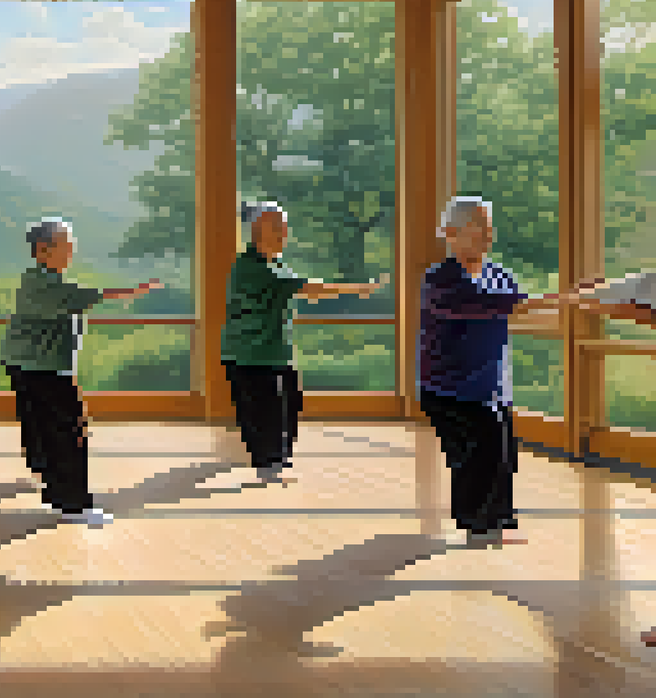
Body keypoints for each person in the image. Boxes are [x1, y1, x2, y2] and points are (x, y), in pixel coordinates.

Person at [418, 196, 565, 548]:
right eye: (479, 227)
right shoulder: (441, 279)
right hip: (448, 388)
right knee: (477, 455)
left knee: (501, 451)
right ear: (452, 234)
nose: (489, 234)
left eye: (489, 226)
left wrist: (580, 300)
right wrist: (569, 298)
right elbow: (495, 305)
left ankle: (497, 521)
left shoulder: (499, 274)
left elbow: (520, 306)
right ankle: (480, 525)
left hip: (492, 385)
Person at [0, 217, 160, 528]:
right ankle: (73, 504)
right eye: (67, 243)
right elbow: (86, 296)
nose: (72, 249)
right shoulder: (43, 283)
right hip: (42, 368)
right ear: (44, 250)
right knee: (69, 431)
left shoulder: (41, 279)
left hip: (30, 365)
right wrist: (132, 291)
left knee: (46, 429)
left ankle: (56, 492)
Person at [223, 201, 387, 485]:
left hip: (271, 352)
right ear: (256, 231)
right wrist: (358, 288)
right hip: (248, 354)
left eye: (284, 228)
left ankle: (275, 460)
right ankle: (268, 465)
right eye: (276, 228)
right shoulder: (254, 268)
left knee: (288, 403)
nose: (282, 234)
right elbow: (310, 288)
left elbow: (302, 290)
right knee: (263, 411)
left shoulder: (274, 265)